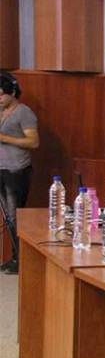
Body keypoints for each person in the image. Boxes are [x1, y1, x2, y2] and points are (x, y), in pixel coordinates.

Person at [0, 73, 40, 275]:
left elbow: (33, 142)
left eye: (1, 95)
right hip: (1, 168)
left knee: (16, 216)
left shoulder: (23, 112)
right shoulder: (0, 112)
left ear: (13, 92)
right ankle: (15, 256)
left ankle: (21, 258)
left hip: (17, 169)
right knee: (7, 217)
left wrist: (4, 138)